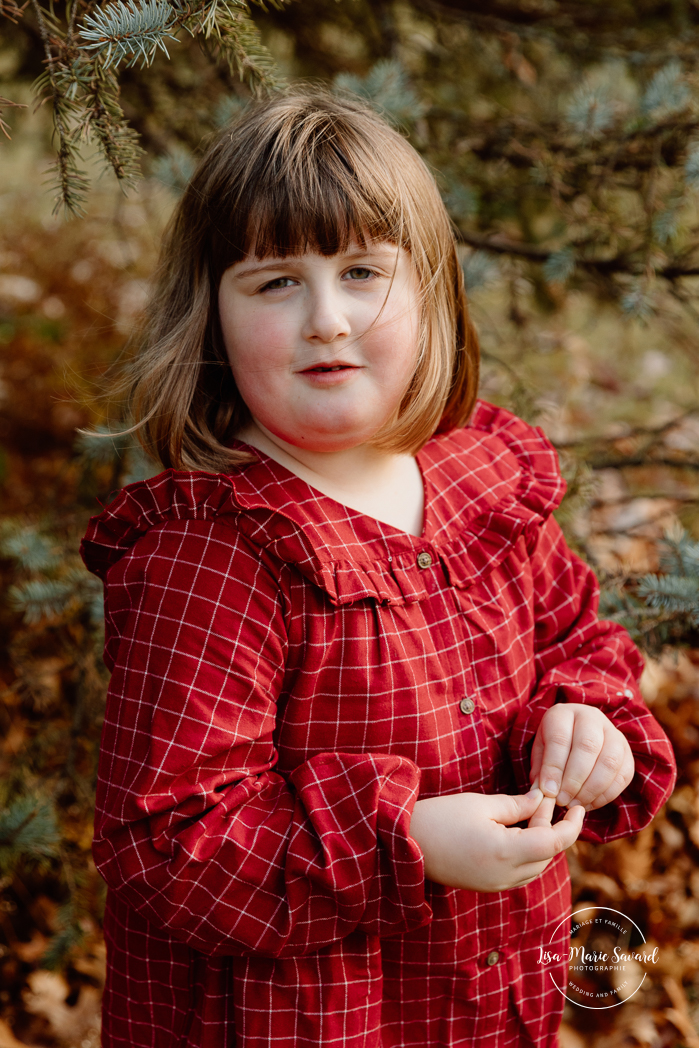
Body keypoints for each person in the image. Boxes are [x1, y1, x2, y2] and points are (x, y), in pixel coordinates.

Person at [80, 91, 676, 1048]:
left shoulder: (482, 477)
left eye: (362, 272)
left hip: (480, 998)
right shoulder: (215, 553)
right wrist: (405, 840)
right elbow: (169, 843)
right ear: (211, 317)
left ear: (431, 291)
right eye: (275, 282)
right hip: (308, 1018)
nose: (326, 320)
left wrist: (584, 720)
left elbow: (576, 636)